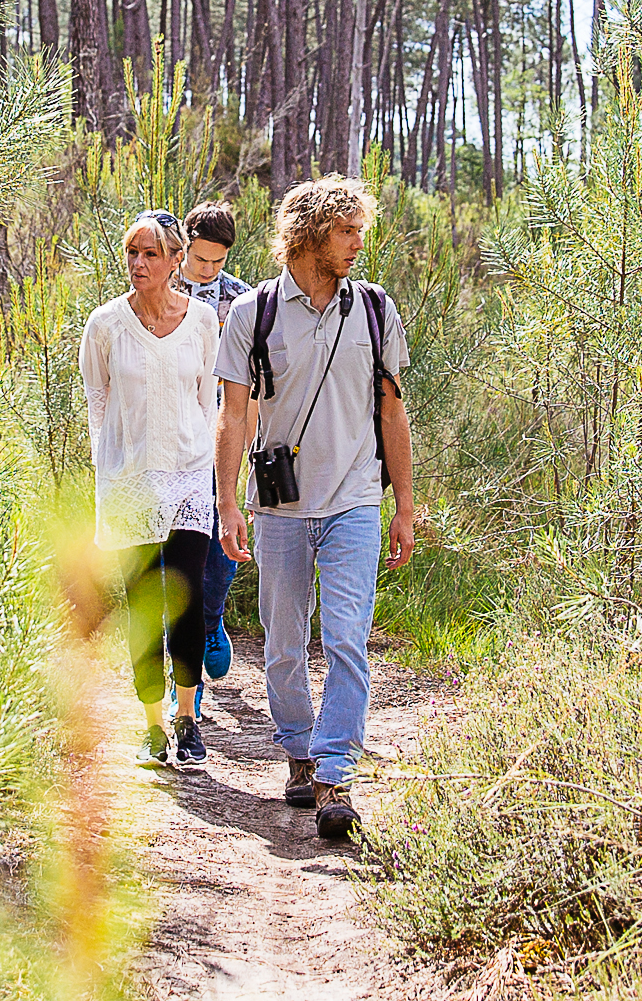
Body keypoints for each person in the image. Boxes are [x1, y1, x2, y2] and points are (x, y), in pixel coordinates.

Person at [212, 176, 417, 845]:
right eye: (346, 231)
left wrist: (404, 504)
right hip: (281, 505)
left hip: (355, 499)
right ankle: (298, 747)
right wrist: (227, 502)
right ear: (308, 235)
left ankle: (334, 773)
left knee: (347, 637)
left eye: (359, 230)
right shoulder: (255, 313)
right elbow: (234, 415)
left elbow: (392, 411)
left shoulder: (375, 309)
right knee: (282, 641)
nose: (357, 243)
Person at [81, 210, 228, 768]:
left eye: (150, 254)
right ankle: (152, 725)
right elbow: (98, 402)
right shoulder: (106, 324)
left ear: (175, 261)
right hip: (130, 481)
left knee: (185, 598)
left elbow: (208, 400)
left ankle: (187, 718)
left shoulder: (203, 322)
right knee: (143, 603)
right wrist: (114, 468)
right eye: (132, 252)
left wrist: (203, 466)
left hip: (189, 477)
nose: (138, 263)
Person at [174, 203, 249, 692]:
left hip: (221, 435)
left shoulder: (240, 299)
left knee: (222, 541)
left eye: (217, 261)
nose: (208, 269)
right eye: (200, 259)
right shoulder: (161, 287)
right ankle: (181, 673)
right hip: (170, 436)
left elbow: (254, 380)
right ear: (184, 247)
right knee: (176, 547)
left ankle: (210, 620)